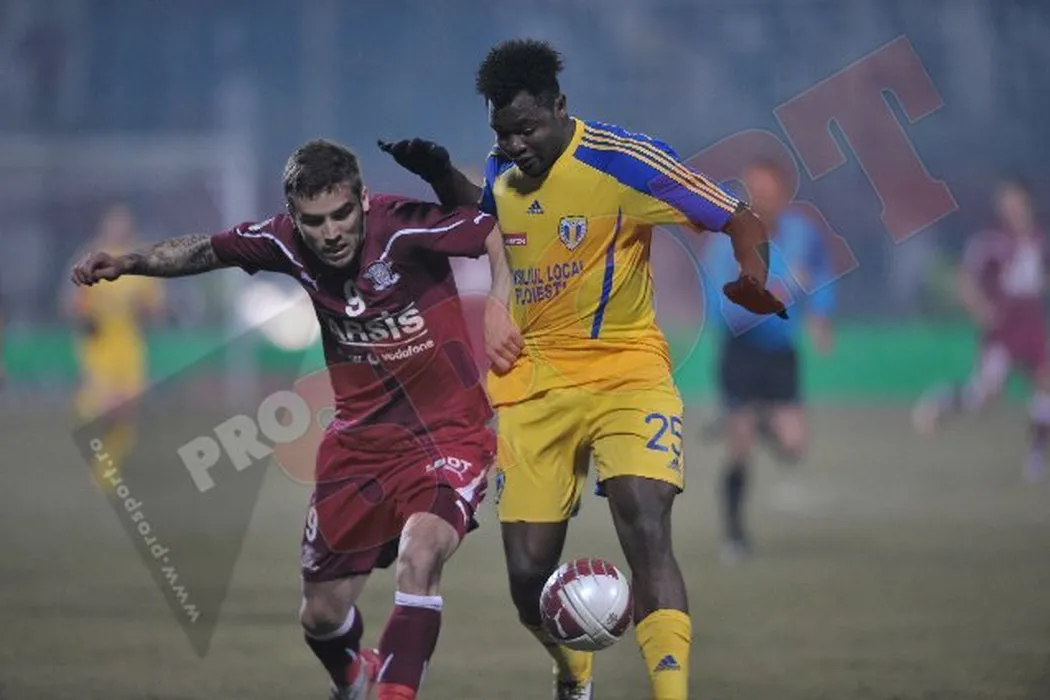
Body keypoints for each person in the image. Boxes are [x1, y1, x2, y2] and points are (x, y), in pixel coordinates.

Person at [381, 39, 785, 700]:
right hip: (533, 383)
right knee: (526, 576)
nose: (514, 146)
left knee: (646, 526)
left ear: (559, 107)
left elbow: (738, 217)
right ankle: (573, 671)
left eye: (526, 129)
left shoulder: (623, 161)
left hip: (628, 373)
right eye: (502, 133)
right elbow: (486, 217)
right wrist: (439, 175)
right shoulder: (504, 167)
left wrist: (753, 276)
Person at [71, 139, 510, 700]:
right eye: (314, 221)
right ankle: (352, 678)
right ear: (294, 217)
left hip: (447, 435)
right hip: (359, 445)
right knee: (321, 616)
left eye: (341, 214)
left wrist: (498, 306)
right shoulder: (284, 241)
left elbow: (491, 232)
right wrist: (129, 262)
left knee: (420, 556)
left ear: (363, 199)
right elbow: (206, 250)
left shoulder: (402, 227)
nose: (330, 233)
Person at [698, 159, 836, 562]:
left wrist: (821, 314)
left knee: (793, 446)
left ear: (784, 196)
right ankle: (734, 535)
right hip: (741, 352)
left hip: (780, 354)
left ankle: (756, 418)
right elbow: (725, 311)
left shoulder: (801, 232)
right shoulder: (726, 243)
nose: (759, 201)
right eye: (753, 192)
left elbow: (820, 272)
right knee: (739, 448)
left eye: (768, 193)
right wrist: (782, 290)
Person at [912, 177, 1050, 482]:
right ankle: (942, 401)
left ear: (1027, 202)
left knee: (1045, 382)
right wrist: (980, 309)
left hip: (1032, 322)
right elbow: (965, 278)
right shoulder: (990, 242)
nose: (1011, 207)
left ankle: (1036, 457)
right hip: (1004, 327)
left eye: (1015, 200)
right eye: (1005, 201)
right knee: (986, 395)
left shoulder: (1040, 239)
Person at [62, 202, 166, 486]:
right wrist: (86, 316)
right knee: (101, 405)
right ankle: (89, 434)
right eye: (113, 222)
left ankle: (105, 473)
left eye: (123, 222)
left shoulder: (138, 260)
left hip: (129, 343)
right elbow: (73, 303)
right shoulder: (90, 256)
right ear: (104, 225)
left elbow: (156, 308)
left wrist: (145, 310)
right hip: (99, 343)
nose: (118, 228)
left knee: (127, 410)